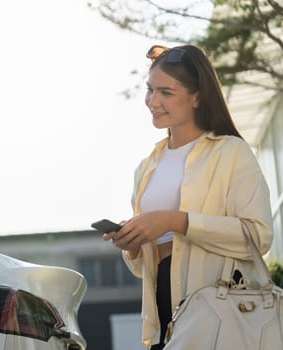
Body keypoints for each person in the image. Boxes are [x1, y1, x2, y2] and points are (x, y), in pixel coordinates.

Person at [102, 44, 273, 349]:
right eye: (150, 90)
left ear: (196, 97)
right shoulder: (146, 168)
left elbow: (258, 236)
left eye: (166, 92)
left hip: (221, 311)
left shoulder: (231, 152)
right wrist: (132, 246)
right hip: (162, 311)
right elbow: (143, 269)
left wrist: (177, 221)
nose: (153, 101)